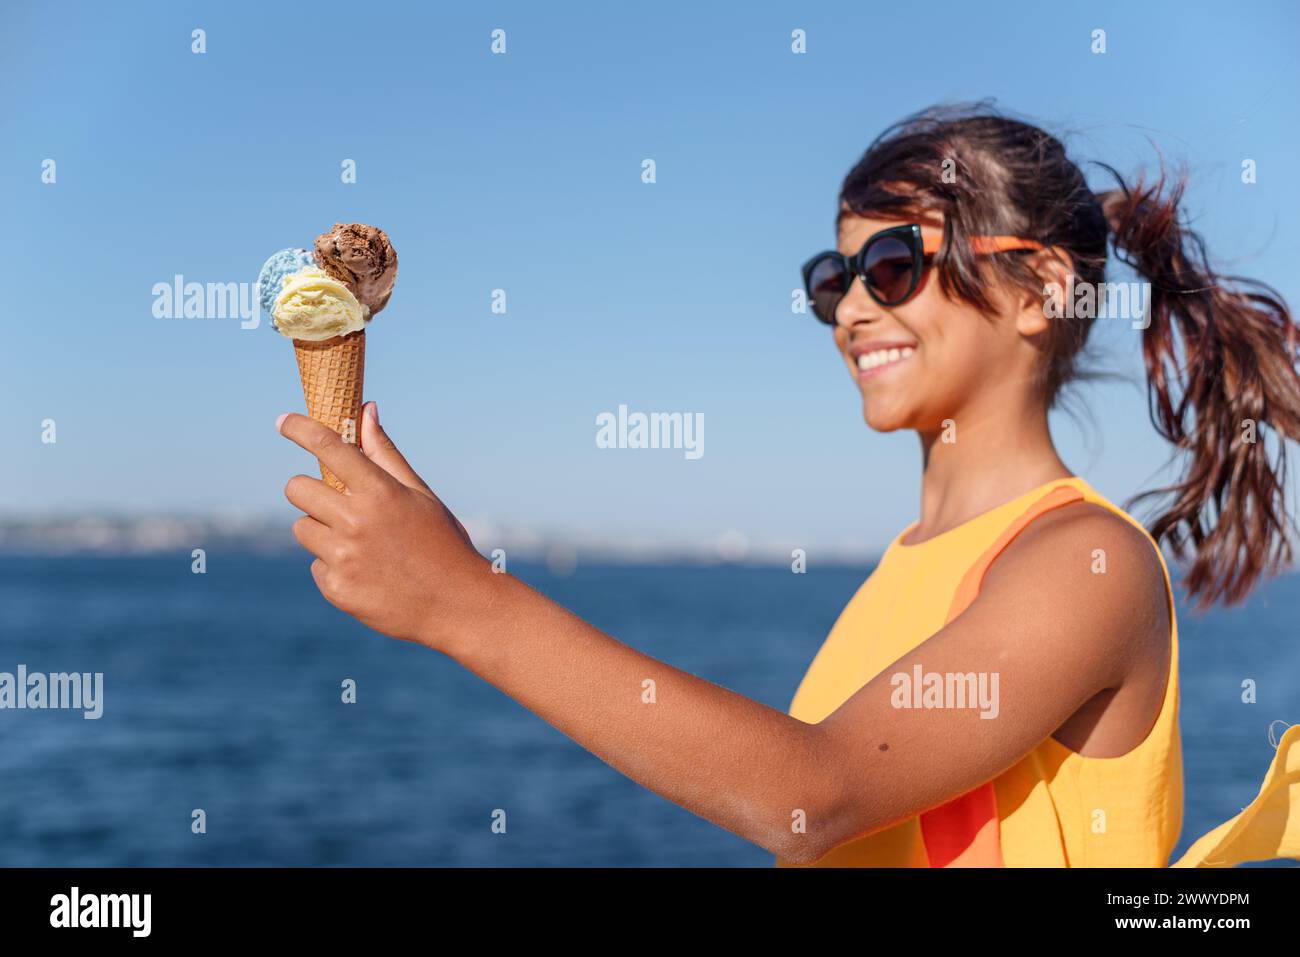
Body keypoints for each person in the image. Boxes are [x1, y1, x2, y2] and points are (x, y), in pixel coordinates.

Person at [275, 105, 1300, 867]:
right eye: (832, 277)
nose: (851, 309)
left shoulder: (1086, 563)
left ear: (1037, 289)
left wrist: (461, 599)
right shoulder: (908, 570)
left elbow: (813, 795)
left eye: (893, 264)